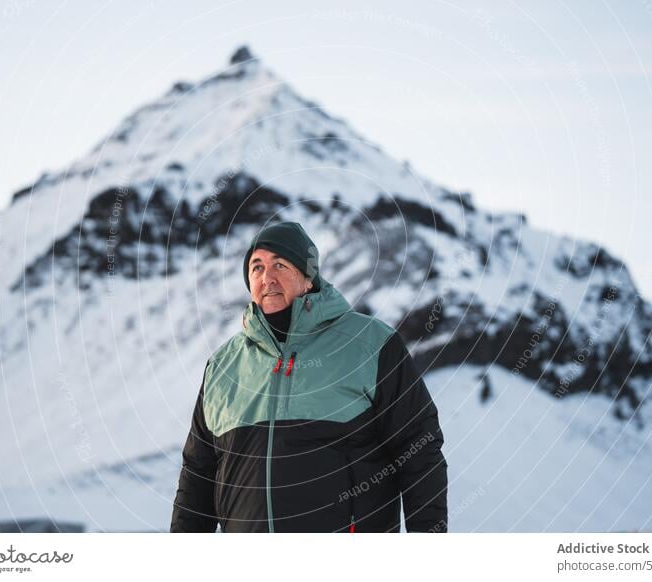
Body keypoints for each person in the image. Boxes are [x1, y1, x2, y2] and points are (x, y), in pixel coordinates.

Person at [170, 221, 447, 532]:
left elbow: (419, 450)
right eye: (257, 267)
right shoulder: (224, 366)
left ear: (308, 277)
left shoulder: (370, 345)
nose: (267, 277)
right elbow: (197, 474)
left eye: (280, 264)